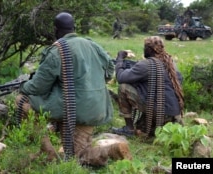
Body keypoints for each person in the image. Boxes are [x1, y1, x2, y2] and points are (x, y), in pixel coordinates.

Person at [15, 12, 132, 166]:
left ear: (56, 30)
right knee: (78, 154)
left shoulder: (57, 50)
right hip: (95, 109)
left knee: (21, 100)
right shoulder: (92, 44)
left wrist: (22, 85)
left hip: (73, 109)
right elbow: (110, 68)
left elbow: (37, 87)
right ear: (74, 28)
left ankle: (48, 151)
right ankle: (113, 150)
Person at [112, 36, 184, 138]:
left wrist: (119, 59)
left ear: (149, 49)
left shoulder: (146, 64)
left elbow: (121, 77)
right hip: (173, 113)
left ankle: (129, 128)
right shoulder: (170, 63)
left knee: (123, 88)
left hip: (159, 111)